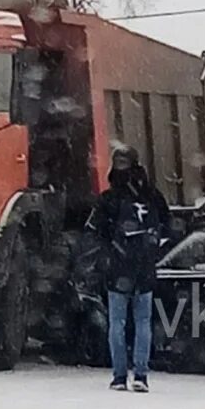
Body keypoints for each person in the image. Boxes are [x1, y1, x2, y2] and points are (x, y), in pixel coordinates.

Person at [86, 145, 170, 392]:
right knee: (143, 321)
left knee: (117, 322)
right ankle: (141, 375)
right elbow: (168, 223)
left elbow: (95, 232)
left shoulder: (109, 198)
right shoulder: (152, 195)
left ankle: (119, 376)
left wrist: (109, 251)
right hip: (144, 265)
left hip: (117, 266)